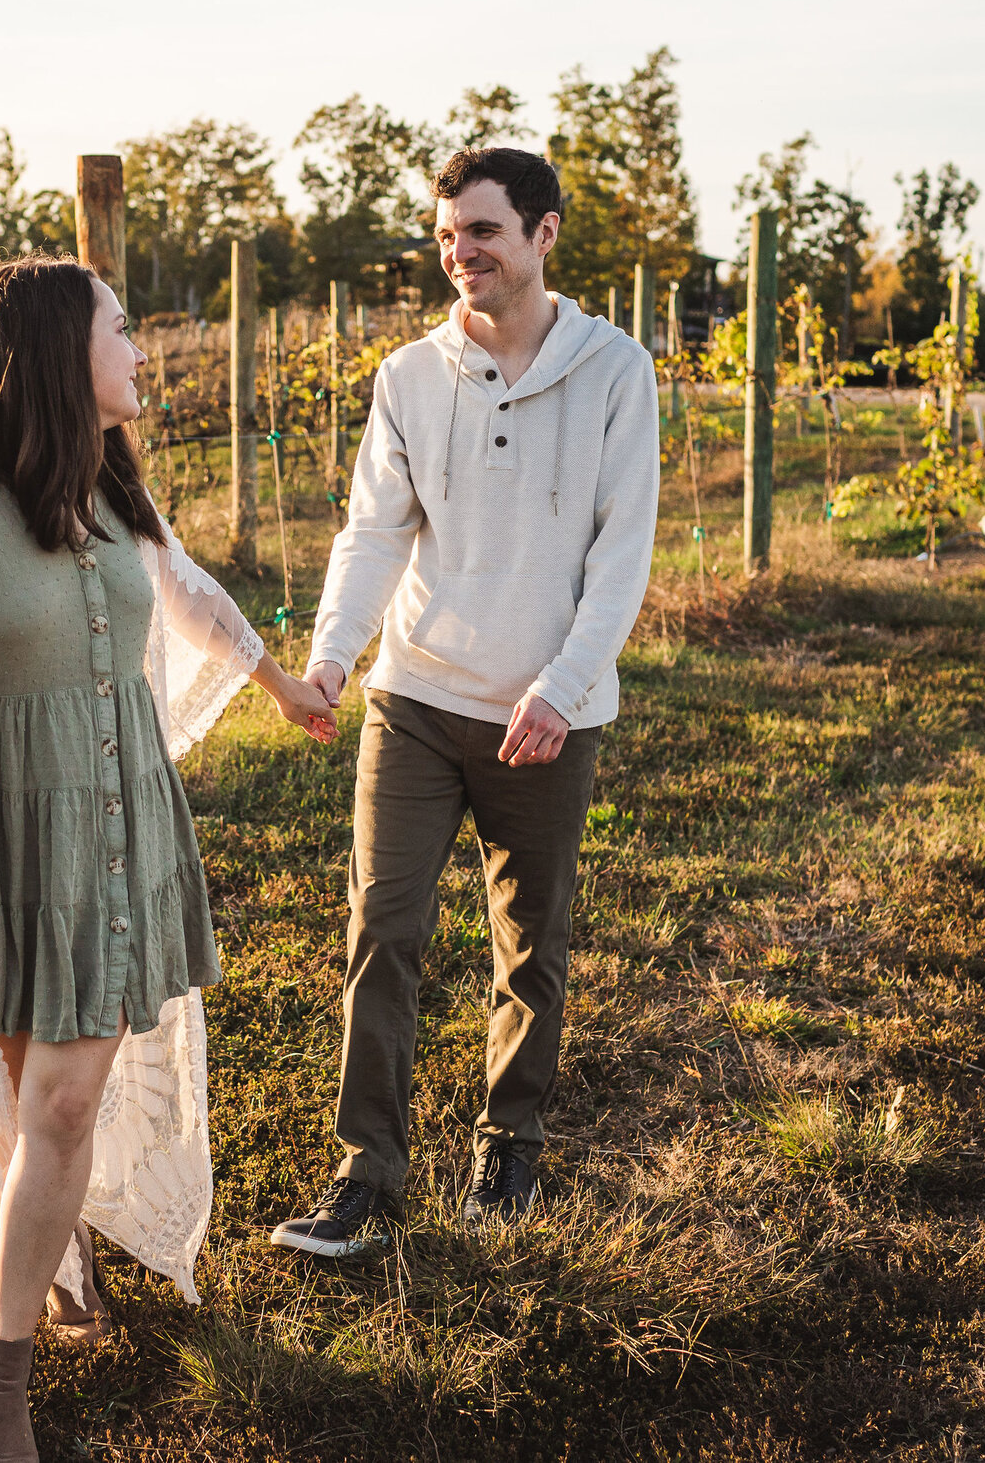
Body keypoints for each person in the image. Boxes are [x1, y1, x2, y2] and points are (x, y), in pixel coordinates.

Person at [0, 255, 337, 1461]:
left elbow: (184, 590)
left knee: (61, 1096)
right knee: (31, 1100)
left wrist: (282, 682)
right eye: (123, 329)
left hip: (114, 828)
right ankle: (56, 1266)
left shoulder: (110, 487)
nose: (142, 351)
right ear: (63, 352)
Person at [270, 147, 660, 1258]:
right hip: (418, 695)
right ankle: (364, 1176)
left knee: (528, 942)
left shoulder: (614, 372)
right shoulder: (409, 373)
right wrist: (335, 656)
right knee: (381, 927)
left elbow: (618, 555)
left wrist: (561, 687)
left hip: (548, 714)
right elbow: (375, 531)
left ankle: (510, 1147)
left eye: (481, 231)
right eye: (446, 235)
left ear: (543, 234)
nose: (459, 253)